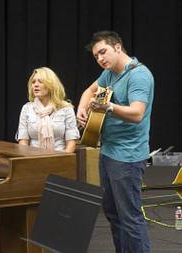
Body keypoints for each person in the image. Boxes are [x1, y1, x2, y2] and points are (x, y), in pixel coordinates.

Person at [77, 31, 154, 253]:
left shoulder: (139, 75)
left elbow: (137, 113)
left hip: (128, 157)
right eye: (96, 56)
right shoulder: (110, 73)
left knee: (130, 218)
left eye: (103, 52)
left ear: (118, 47)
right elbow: (89, 91)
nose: (100, 59)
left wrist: (108, 107)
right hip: (109, 151)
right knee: (112, 213)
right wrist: (82, 108)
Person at [17, 67, 79, 152]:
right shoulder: (27, 108)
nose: (35, 84)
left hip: (60, 158)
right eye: (33, 82)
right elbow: (23, 140)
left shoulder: (66, 108)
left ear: (51, 85)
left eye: (40, 81)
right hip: (32, 159)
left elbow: (71, 143)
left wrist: (61, 160)